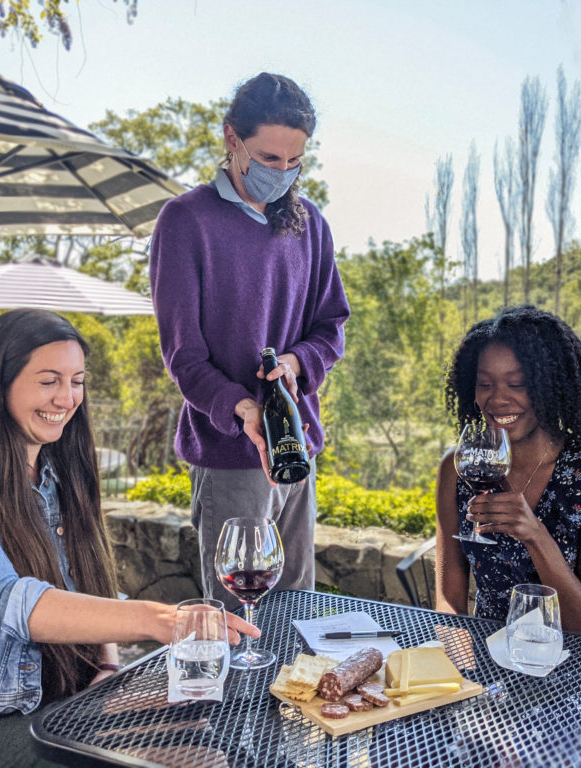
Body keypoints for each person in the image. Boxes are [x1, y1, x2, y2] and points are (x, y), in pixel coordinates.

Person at [0, 309, 258, 767]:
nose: (66, 398)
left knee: (218, 721)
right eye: (48, 380)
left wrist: (107, 667)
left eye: (77, 381)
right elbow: (6, 600)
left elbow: (89, 584)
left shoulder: (60, 466)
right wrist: (156, 619)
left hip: (70, 705)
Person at [149, 73, 350, 610]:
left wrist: (295, 362)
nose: (282, 173)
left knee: (296, 610)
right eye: (268, 159)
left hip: (298, 449)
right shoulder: (186, 221)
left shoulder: (311, 226)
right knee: (239, 621)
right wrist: (244, 410)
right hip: (231, 455)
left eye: (294, 162)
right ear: (231, 139)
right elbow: (183, 357)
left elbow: (332, 327)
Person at [435, 306, 581, 638]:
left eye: (518, 383)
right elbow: (449, 600)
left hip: (571, 668)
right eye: (485, 384)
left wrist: (536, 537)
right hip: (486, 661)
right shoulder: (459, 468)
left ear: (550, 385)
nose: (497, 399)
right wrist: (457, 671)